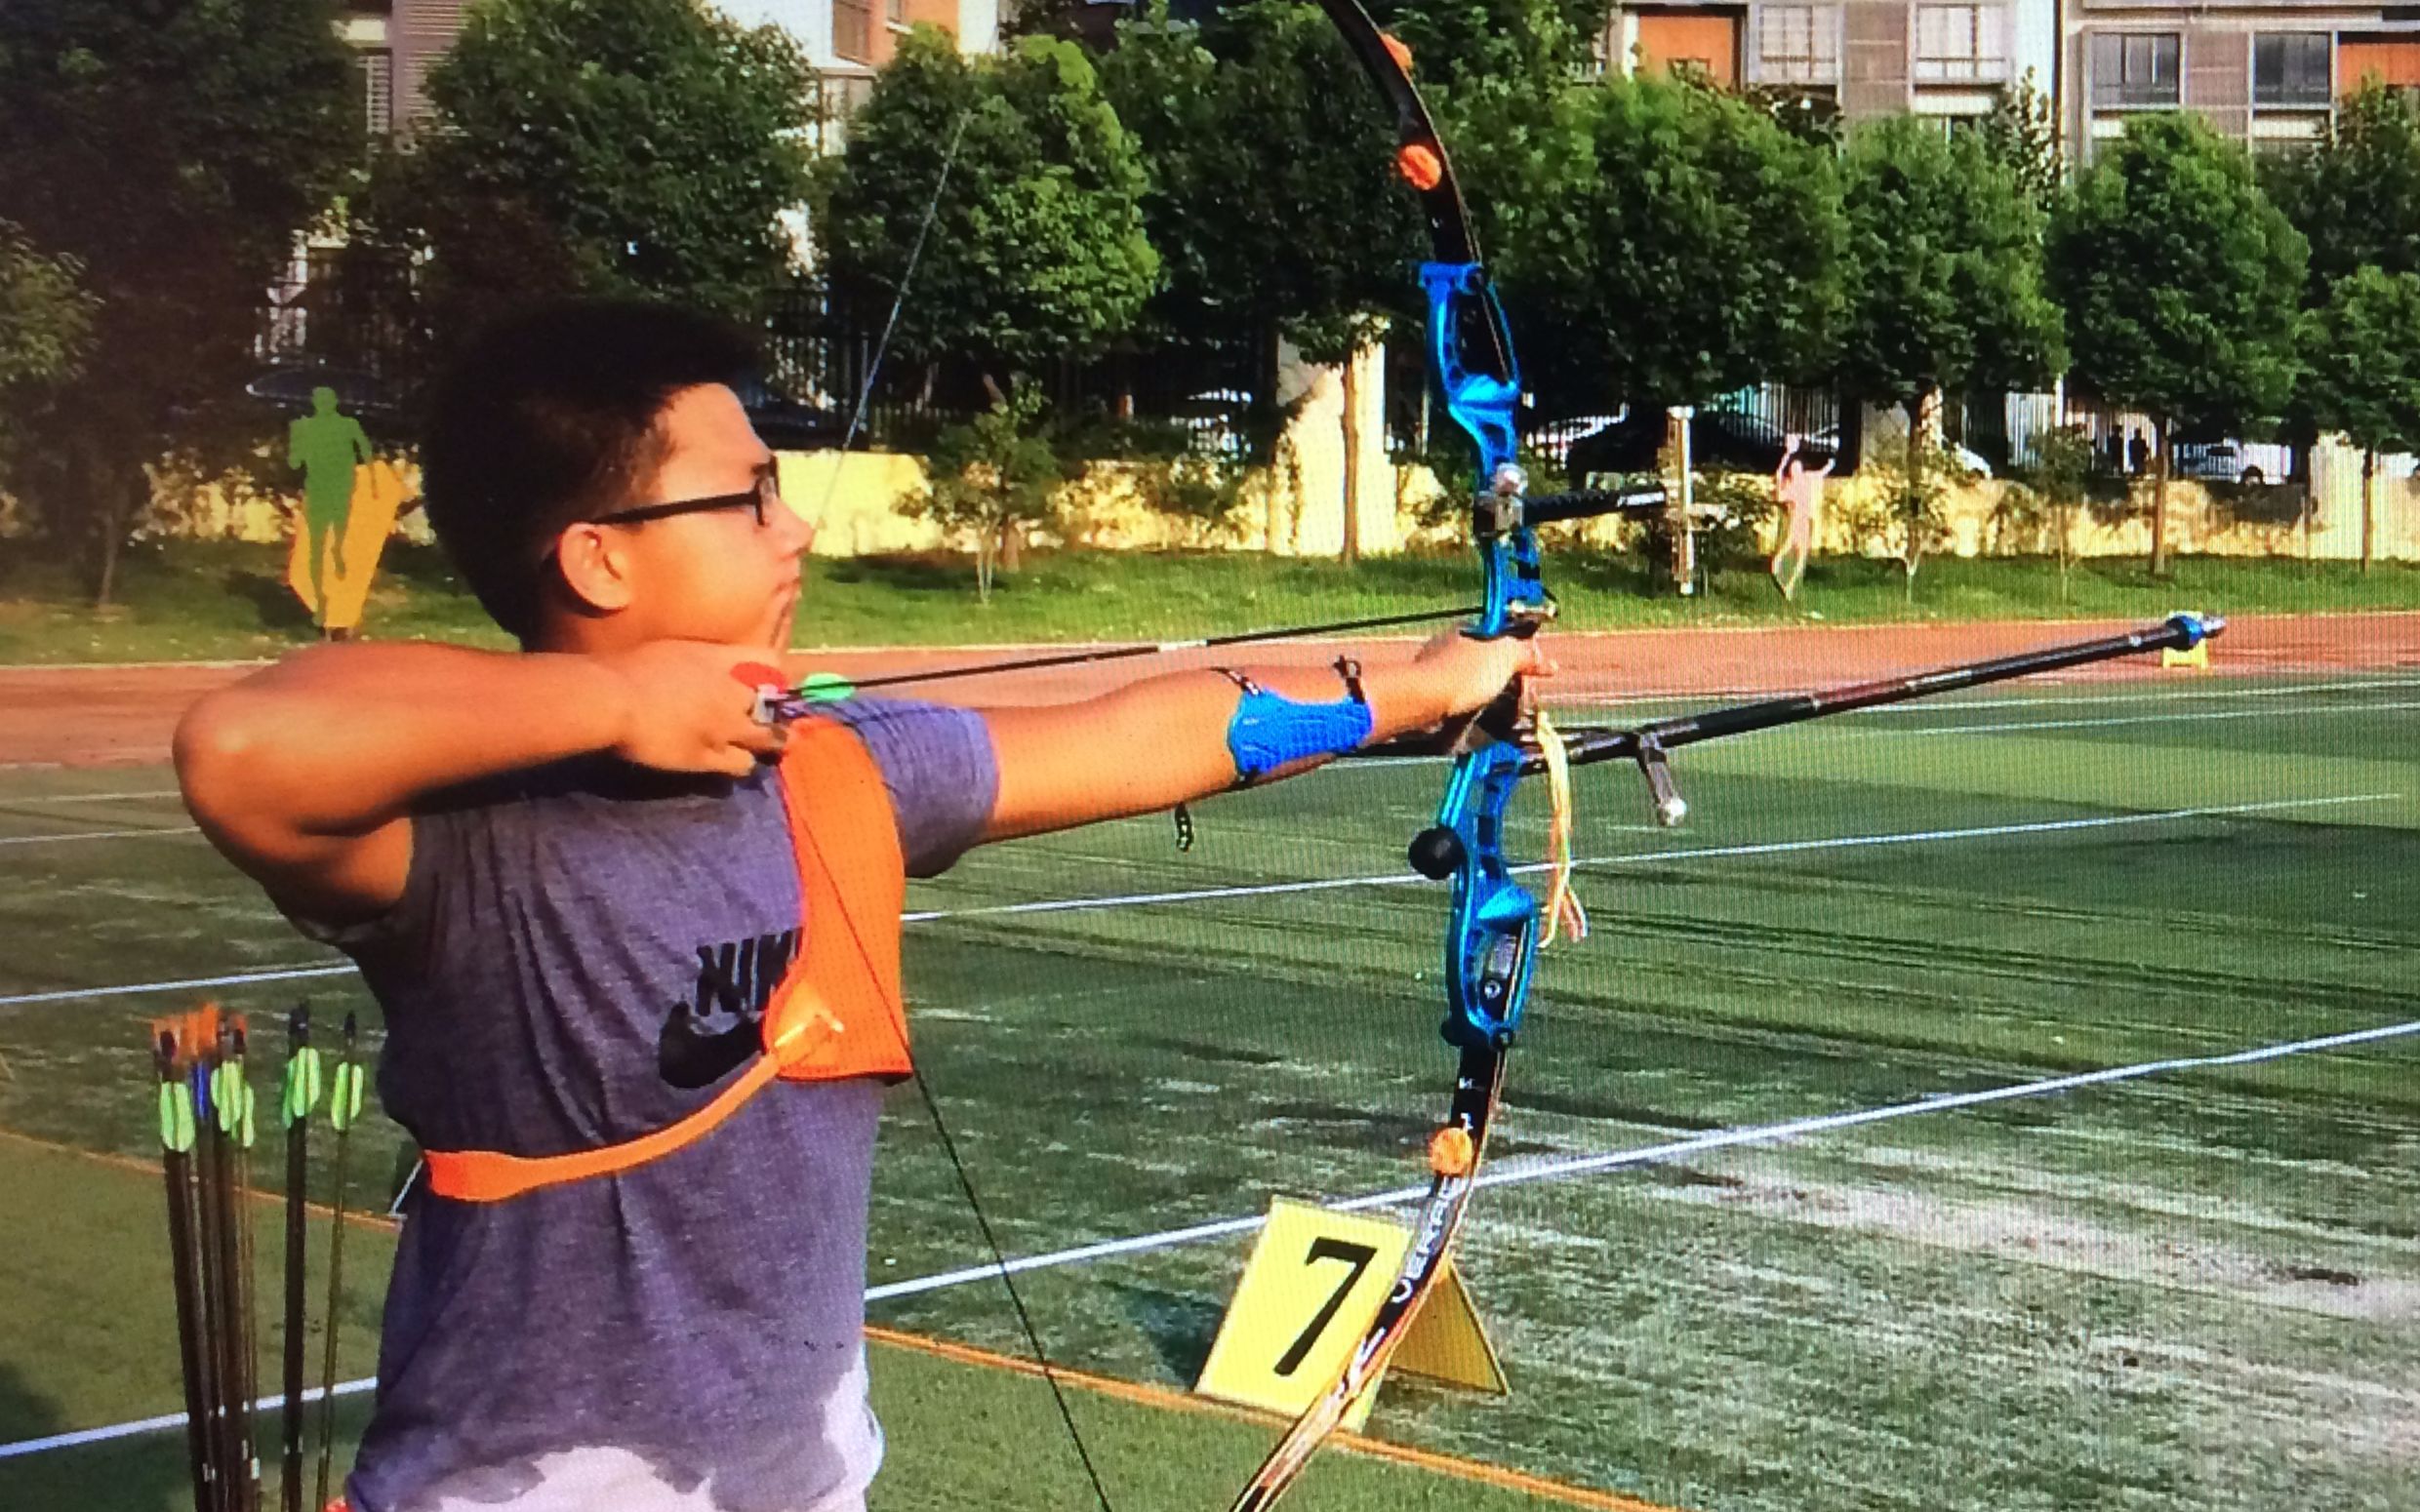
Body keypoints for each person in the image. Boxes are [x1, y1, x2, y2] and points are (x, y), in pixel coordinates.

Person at [174, 300, 1543, 1512]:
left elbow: (1141, 732)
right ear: (598, 560)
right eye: (752, 496)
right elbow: (239, 750)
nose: (800, 526)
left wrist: (1416, 691)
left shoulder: (836, 766)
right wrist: (621, 700)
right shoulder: (471, 844)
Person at [287, 385, 375, 620]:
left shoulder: (348, 425)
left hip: (340, 488)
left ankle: (337, 552)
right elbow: (295, 462)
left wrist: (374, 481)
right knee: (316, 544)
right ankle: (321, 601)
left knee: (336, 538)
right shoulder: (306, 427)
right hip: (320, 489)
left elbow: (365, 450)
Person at [1767, 432, 1834, 603]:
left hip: (1805, 519)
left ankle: (1789, 585)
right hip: (1797, 518)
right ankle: (1776, 564)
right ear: (1791, 471)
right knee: (1790, 543)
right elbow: (1778, 478)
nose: (1797, 470)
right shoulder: (1790, 486)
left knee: (1802, 554)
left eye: (1798, 467)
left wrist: (1830, 465)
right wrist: (1786, 456)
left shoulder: (1806, 478)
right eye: (1794, 468)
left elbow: (1821, 473)